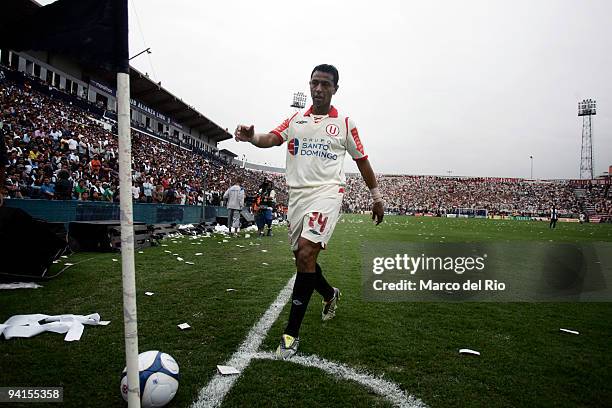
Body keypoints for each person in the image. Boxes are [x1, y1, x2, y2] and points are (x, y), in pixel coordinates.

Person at [235, 64, 384, 359]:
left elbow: (362, 160)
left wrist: (376, 196)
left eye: (325, 84)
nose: (318, 89)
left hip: (328, 192)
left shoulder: (344, 122)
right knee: (303, 260)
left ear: (335, 89)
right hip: (299, 196)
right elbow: (271, 139)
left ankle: (291, 334)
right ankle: (329, 294)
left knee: (305, 253)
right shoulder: (296, 119)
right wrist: (253, 137)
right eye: (314, 83)